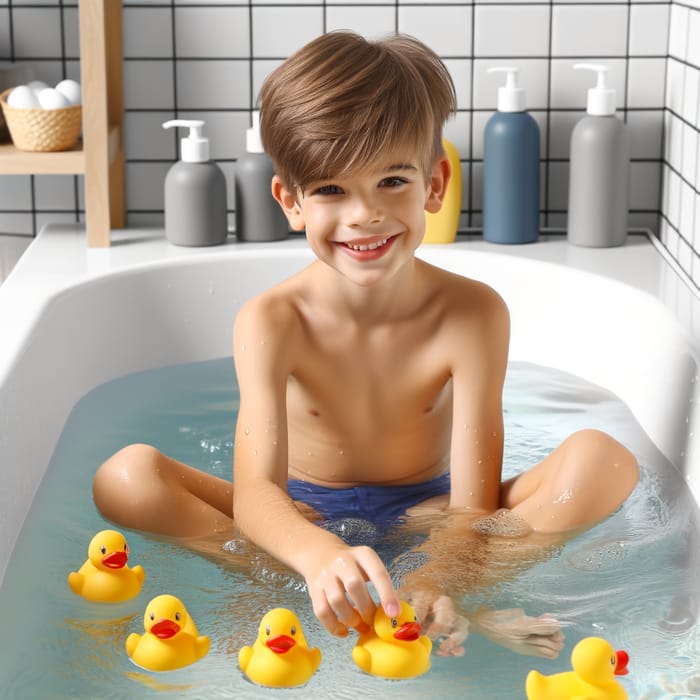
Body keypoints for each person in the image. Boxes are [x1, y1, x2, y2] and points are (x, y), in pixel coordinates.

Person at [93, 31, 639, 657]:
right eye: (331, 190)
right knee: (127, 476)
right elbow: (257, 492)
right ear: (291, 201)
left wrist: (441, 573)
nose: (363, 215)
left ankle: (444, 597)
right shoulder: (272, 320)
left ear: (434, 184)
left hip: (427, 511)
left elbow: (471, 499)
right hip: (307, 513)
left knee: (602, 460)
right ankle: (318, 584)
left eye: (391, 181)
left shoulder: (473, 313)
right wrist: (314, 550)